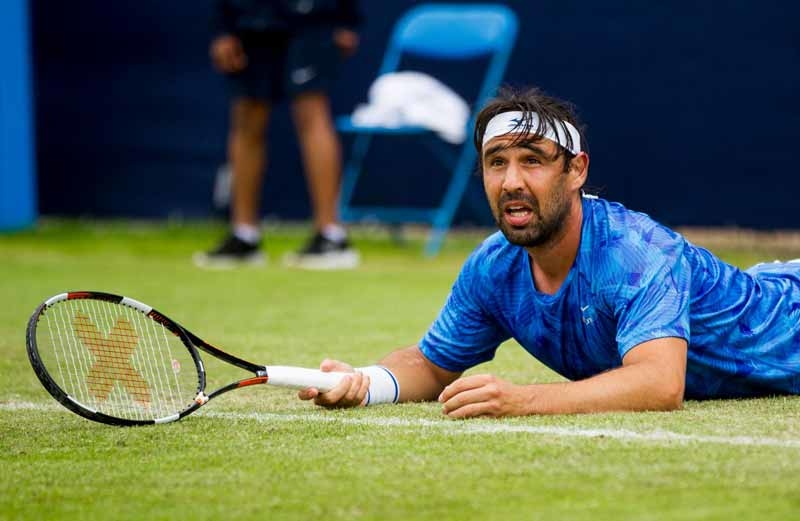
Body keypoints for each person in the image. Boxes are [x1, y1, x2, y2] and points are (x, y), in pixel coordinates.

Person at [297, 85, 800, 417]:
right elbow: (430, 366)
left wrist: (523, 400)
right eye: (497, 162)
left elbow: (659, 384)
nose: (512, 181)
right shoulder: (493, 267)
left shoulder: (636, 250)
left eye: (532, 161)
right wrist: (365, 382)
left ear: (576, 170)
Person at [194, 0, 362, 270]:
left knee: (312, 113)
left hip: (312, 18)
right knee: (247, 119)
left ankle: (330, 235)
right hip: (249, 21)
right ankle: (244, 235)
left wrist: (346, 19)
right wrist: (223, 27)